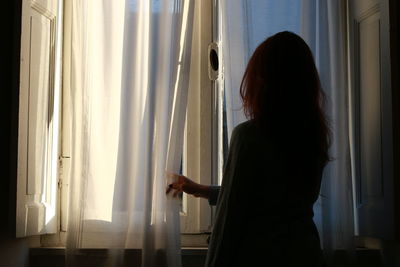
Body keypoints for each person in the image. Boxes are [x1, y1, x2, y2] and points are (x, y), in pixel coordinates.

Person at [167, 31, 330, 267]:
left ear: (262, 81)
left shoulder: (250, 136)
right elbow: (272, 197)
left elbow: (230, 221)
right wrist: (202, 190)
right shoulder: (313, 136)